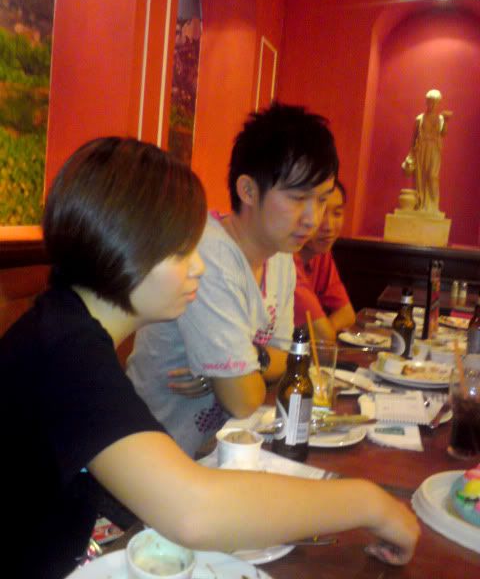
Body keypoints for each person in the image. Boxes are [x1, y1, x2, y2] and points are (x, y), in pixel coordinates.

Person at [0, 137, 420, 576]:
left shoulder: (68, 327)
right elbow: (193, 511)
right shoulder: (66, 353)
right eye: (182, 250)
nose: (198, 266)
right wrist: (371, 504)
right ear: (121, 246)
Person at [127, 103, 338, 457]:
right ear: (248, 190)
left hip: (222, 450)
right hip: (156, 454)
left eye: (322, 200)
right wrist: (242, 374)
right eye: (298, 198)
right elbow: (243, 400)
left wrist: (250, 359)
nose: (312, 218)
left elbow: (288, 360)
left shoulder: (281, 257)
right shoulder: (209, 256)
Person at [294, 179, 355, 341]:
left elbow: (347, 313)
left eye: (337, 213)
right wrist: (324, 332)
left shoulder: (321, 254)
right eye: (321, 212)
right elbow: (323, 335)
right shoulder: (284, 259)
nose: (329, 226)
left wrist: (327, 328)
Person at [402, 89, 453, 213]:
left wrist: (446, 121)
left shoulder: (440, 118)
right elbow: (414, 139)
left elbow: (443, 133)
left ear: (438, 103)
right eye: (430, 102)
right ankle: (421, 205)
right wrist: (410, 155)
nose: (432, 105)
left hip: (434, 149)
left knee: (432, 176)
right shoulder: (420, 118)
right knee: (421, 178)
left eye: (435, 102)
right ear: (426, 102)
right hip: (421, 149)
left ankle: (434, 207)